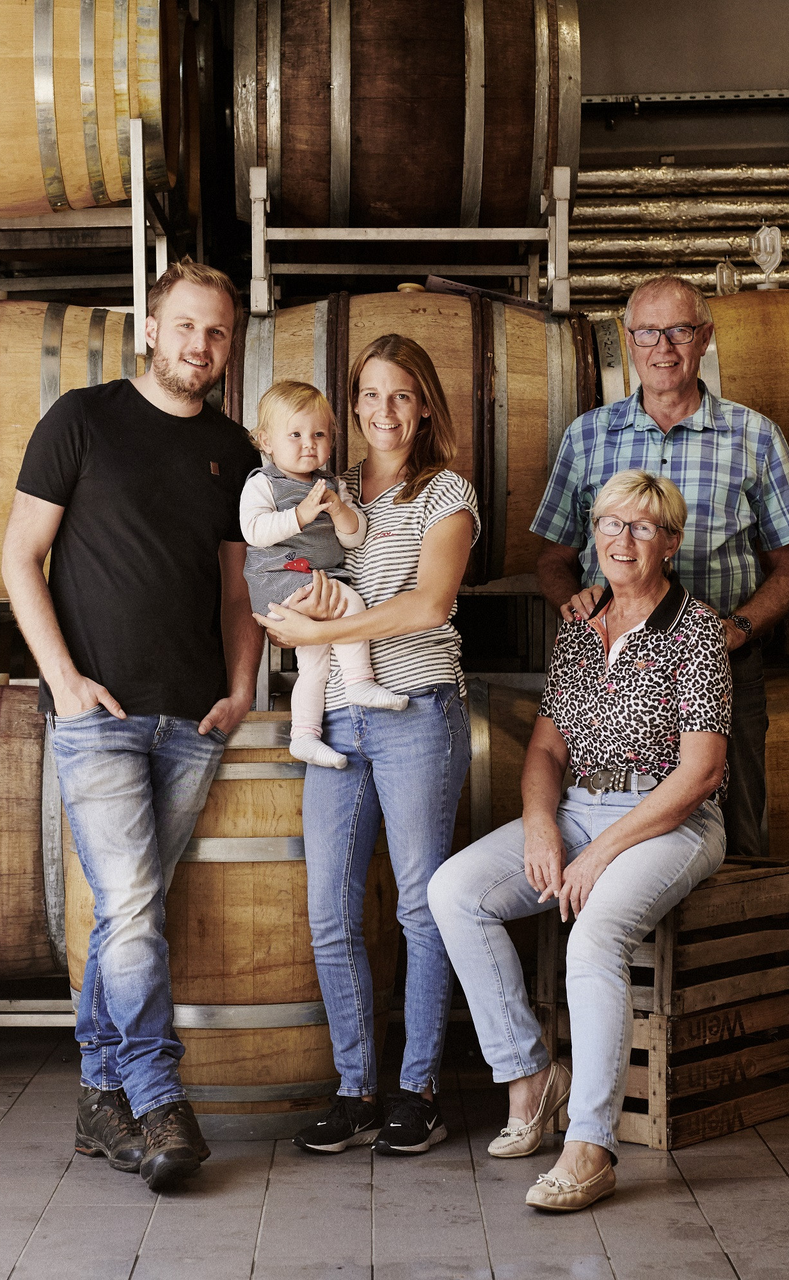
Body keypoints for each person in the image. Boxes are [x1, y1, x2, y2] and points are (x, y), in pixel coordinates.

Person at [1, 258, 262, 1192]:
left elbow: (239, 589)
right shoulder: (81, 419)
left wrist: (242, 690)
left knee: (130, 915)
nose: (200, 345)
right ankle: (157, 1099)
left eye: (217, 331)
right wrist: (65, 682)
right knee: (134, 910)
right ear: (150, 328)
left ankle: (98, 1095)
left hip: (192, 720)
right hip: (97, 718)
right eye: (185, 325)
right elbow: (20, 557)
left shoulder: (235, 451)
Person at [430, 470, 730, 1212]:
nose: (622, 539)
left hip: (670, 819)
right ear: (593, 534)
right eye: (609, 524)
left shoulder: (697, 630)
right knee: (455, 892)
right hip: (577, 807)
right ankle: (532, 1079)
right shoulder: (581, 625)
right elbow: (545, 751)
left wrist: (599, 852)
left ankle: (590, 1147)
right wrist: (542, 825)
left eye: (642, 527)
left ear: (670, 543)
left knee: (594, 935)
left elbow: (699, 774)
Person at [254, 334, 478, 1157]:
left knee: (419, 907)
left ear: (425, 408)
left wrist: (328, 629)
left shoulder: (446, 492)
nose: (385, 411)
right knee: (330, 912)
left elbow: (429, 604)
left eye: (402, 395)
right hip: (339, 713)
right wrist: (284, 613)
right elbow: (274, 564)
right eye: (371, 395)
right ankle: (355, 1090)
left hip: (417, 708)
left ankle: (419, 1091)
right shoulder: (327, 485)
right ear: (352, 407)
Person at [531, 276, 789, 862]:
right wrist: (572, 602)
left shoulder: (754, 437)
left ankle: (724, 924)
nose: (662, 347)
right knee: (601, 829)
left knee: (738, 838)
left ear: (705, 338)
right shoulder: (587, 437)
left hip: (724, 668)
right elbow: (553, 559)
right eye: (647, 333)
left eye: (679, 331)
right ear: (629, 340)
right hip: (609, 675)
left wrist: (737, 629)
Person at [239, 380, 410, 770]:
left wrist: (338, 510)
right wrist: (300, 515)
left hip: (314, 578)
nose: (308, 444)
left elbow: (354, 537)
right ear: (266, 441)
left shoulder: (332, 484)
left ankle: (303, 735)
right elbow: (255, 531)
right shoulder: (263, 483)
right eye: (295, 435)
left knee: (314, 661)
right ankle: (359, 681)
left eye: (319, 434)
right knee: (349, 601)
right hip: (279, 577)